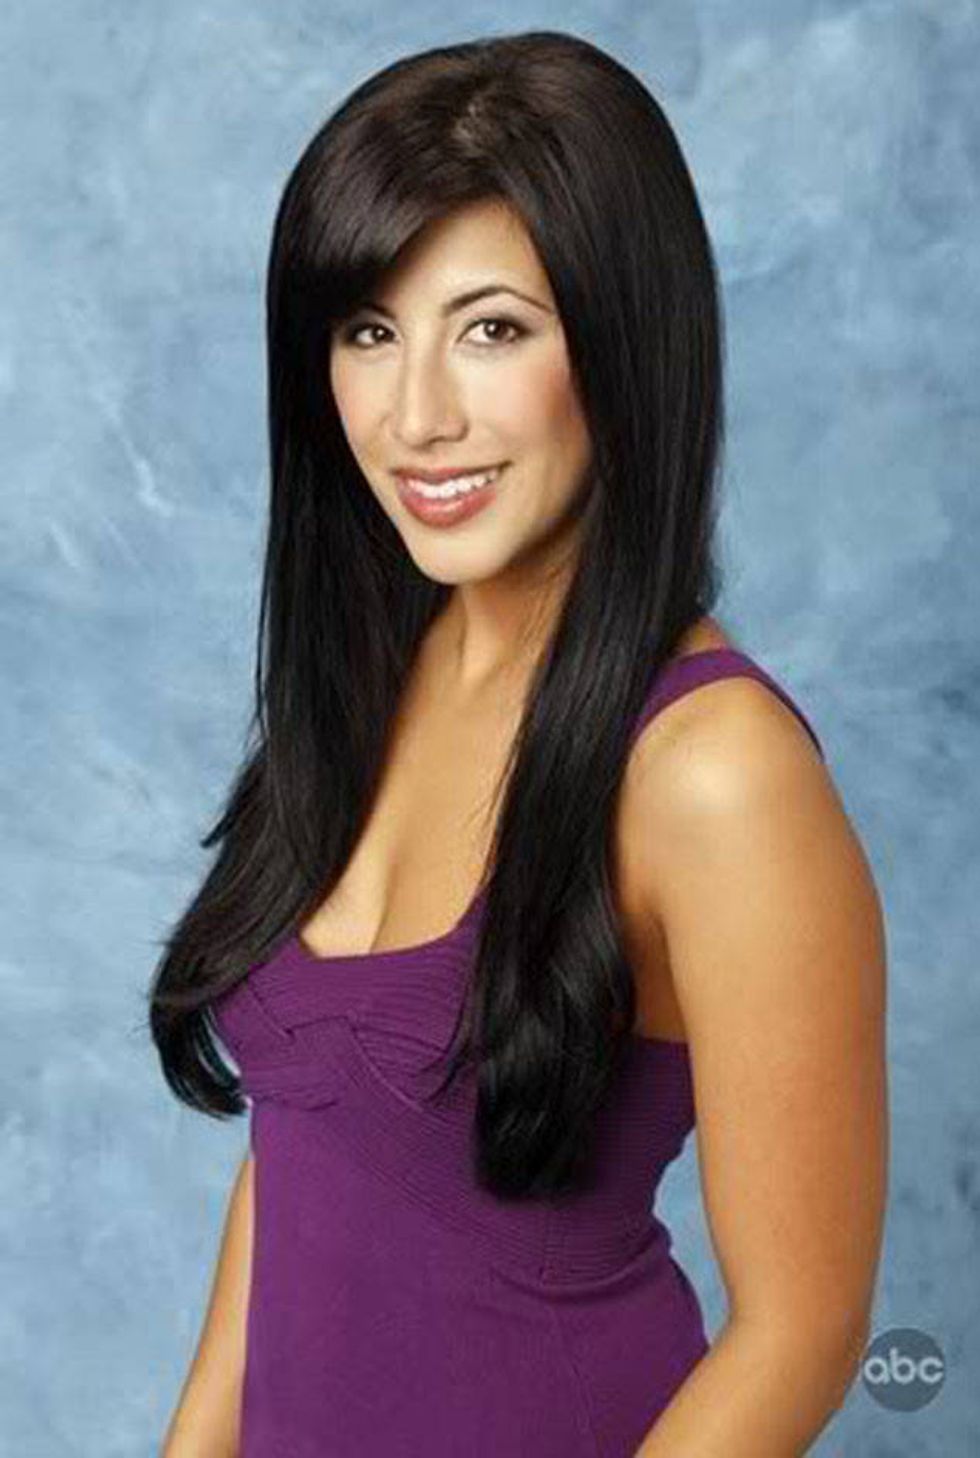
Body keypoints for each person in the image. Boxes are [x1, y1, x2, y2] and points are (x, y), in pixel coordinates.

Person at [152, 30, 888, 1457]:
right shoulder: (370, 672)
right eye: (370, 331)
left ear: (621, 340)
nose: (417, 416)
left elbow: (804, 1326)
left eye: (492, 329)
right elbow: (309, 1148)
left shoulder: (714, 773)